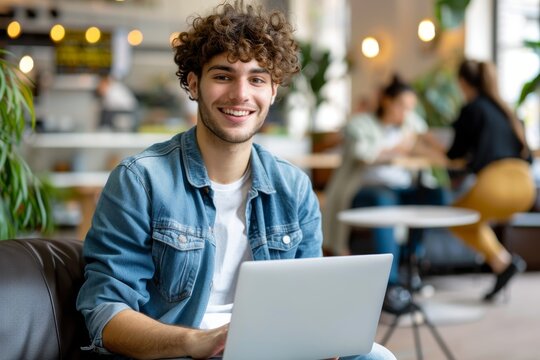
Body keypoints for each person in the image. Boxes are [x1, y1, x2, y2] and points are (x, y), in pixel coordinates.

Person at [76, 2, 395, 359]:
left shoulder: (294, 188)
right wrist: (194, 341)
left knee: (376, 356)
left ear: (273, 91)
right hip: (179, 351)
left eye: (257, 79)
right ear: (194, 84)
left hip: (271, 348)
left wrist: (321, 337)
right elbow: (106, 314)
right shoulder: (141, 180)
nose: (241, 94)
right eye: (223, 76)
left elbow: (310, 299)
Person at [322, 75, 449, 314]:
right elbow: (365, 155)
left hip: (400, 190)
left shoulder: (411, 123)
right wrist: (398, 149)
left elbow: (427, 143)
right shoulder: (360, 124)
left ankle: (411, 262)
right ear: (387, 101)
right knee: (384, 201)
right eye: (402, 105)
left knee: (435, 196)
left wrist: (435, 146)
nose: (406, 112)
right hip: (362, 190)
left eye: (410, 107)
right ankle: (390, 286)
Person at [431, 59, 536, 301]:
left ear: (463, 83)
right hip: (524, 186)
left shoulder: (472, 109)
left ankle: (503, 262)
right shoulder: (506, 110)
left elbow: (454, 154)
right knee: (471, 220)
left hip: (495, 185)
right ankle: (502, 264)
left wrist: (429, 144)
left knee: (455, 217)